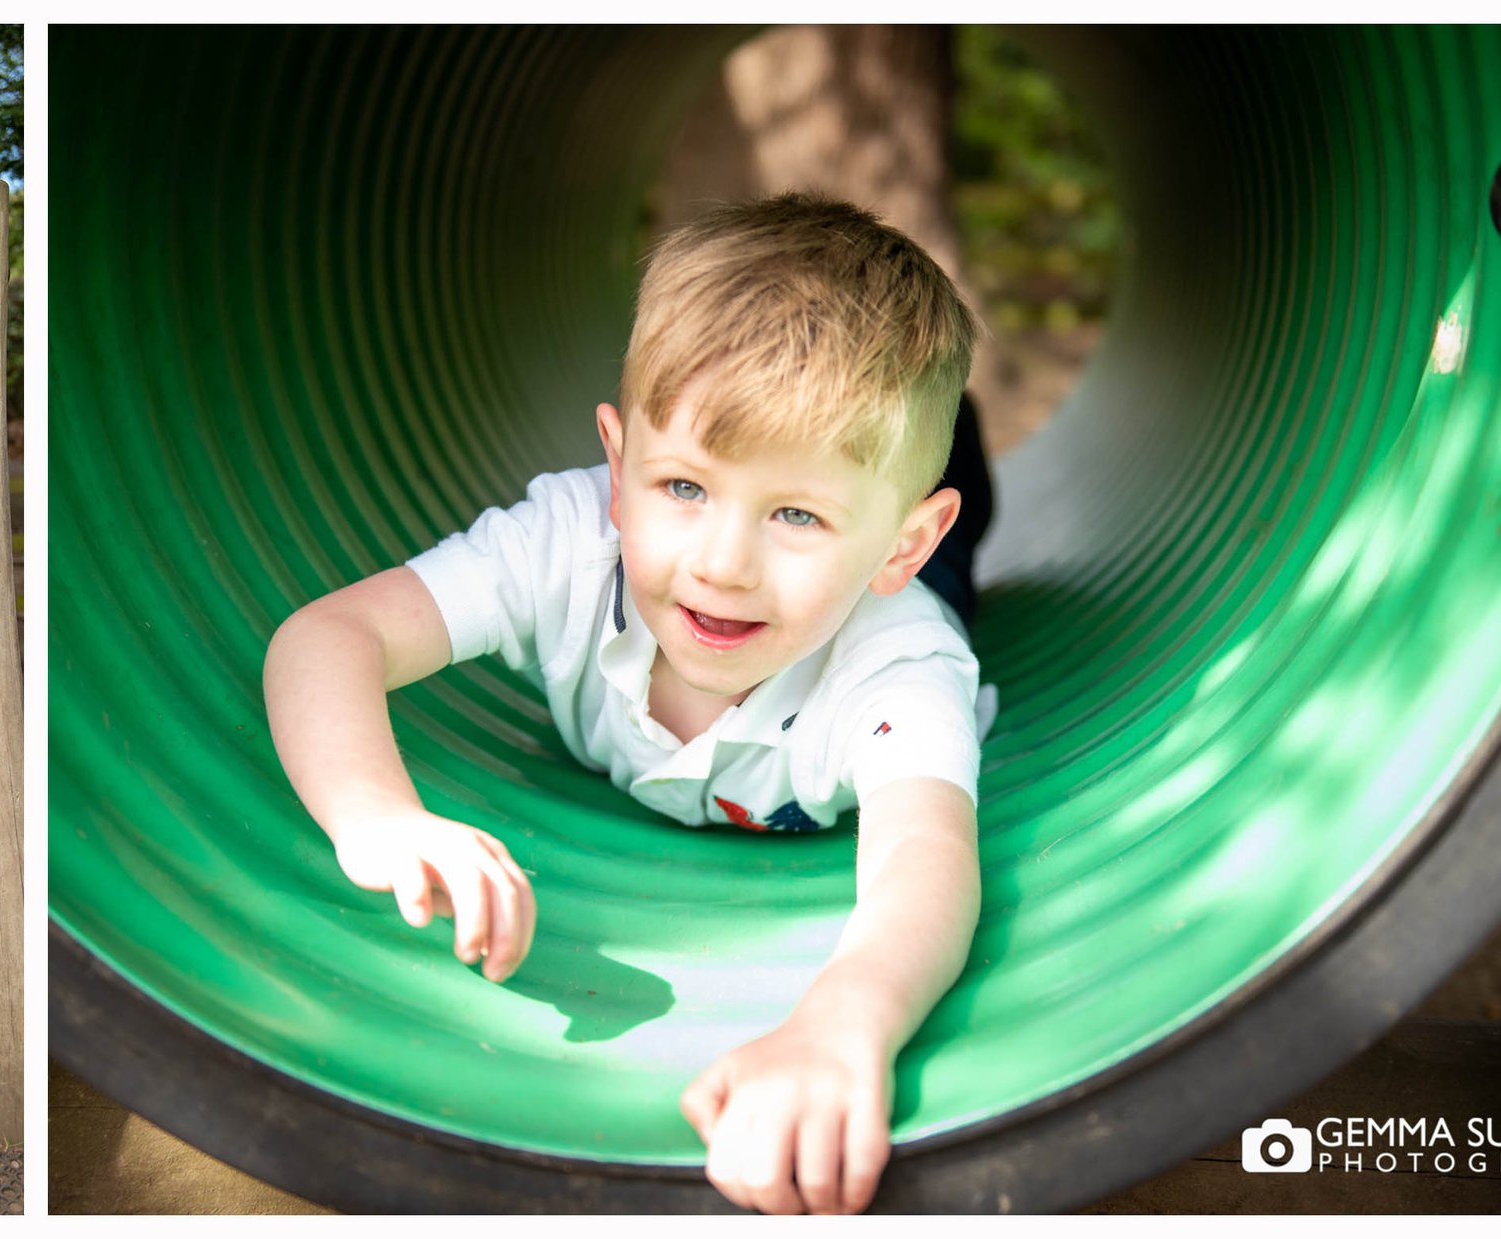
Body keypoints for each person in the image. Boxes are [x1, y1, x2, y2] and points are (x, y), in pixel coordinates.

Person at [264, 193, 993, 1214]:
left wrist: (843, 1024)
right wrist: (378, 817)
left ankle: (959, 477)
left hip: (893, 597)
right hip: (848, 562)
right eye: (684, 488)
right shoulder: (570, 545)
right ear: (616, 468)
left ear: (892, 542)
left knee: (957, 577)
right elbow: (329, 636)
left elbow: (926, 858)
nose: (722, 564)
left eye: (793, 514)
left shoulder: (898, 665)